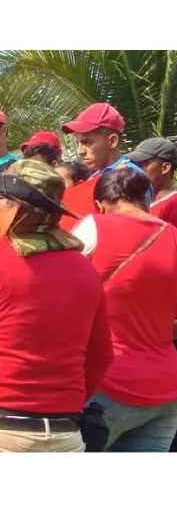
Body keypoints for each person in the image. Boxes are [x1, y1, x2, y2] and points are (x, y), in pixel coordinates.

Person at [0, 160, 113, 452]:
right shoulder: (85, 269)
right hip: (64, 435)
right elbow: (102, 354)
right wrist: (68, 403)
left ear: (16, 207)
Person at [71, 168, 177, 451]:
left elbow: (60, 287)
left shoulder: (94, 226)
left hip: (108, 385)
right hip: (167, 389)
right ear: (145, 198)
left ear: (101, 203)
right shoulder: (174, 237)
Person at [128, 137, 177, 227]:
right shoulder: (140, 202)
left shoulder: (173, 204)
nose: (135, 169)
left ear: (165, 168)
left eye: (143, 164)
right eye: (134, 164)